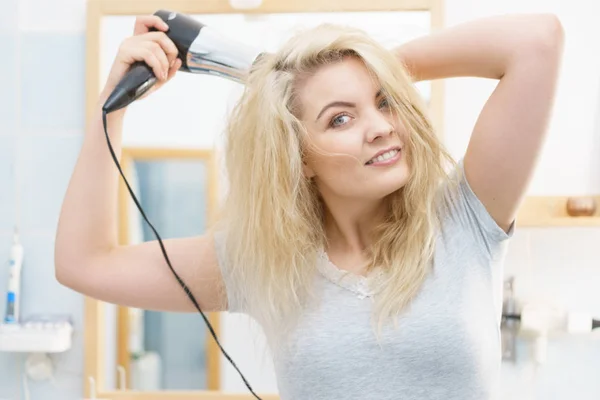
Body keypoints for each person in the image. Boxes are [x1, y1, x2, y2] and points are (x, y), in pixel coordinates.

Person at [55, 12, 564, 400]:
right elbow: (84, 263)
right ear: (299, 159)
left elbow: (537, 41)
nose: (382, 125)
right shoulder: (263, 262)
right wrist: (112, 105)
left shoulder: (464, 221)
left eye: (384, 101)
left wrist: (358, 69)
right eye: (340, 119)